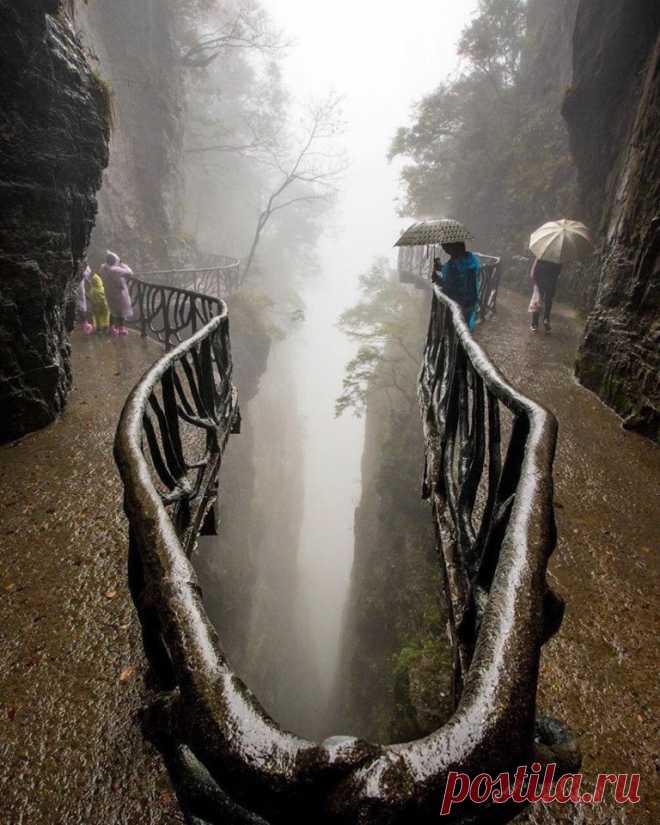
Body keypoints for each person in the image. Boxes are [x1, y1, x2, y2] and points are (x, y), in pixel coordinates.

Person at [432, 243, 481, 330]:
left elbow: (449, 287)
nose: (445, 250)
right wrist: (441, 267)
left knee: (458, 328)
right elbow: (459, 275)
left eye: (446, 248)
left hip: (459, 302)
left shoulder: (452, 265)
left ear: (453, 248)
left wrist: (436, 278)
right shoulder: (471, 258)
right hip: (472, 300)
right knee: (466, 326)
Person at [100, 251, 133, 336]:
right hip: (119, 293)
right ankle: (121, 329)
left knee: (112, 310)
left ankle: (112, 328)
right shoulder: (115, 270)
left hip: (109, 292)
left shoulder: (103, 268)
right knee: (121, 311)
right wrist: (122, 264)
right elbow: (130, 272)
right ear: (114, 261)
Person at [529, 257, 561, 333]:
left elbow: (534, 271)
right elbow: (558, 273)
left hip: (540, 281)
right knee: (548, 301)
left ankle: (534, 324)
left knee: (537, 301)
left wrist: (535, 280)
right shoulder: (558, 257)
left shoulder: (542, 254)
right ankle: (546, 319)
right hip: (551, 283)